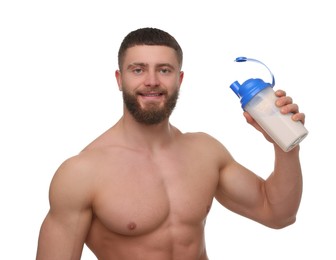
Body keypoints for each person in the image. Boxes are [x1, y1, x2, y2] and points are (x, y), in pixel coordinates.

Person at [36, 27, 305, 260]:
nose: (151, 81)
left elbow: (278, 214)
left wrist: (284, 144)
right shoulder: (81, 173)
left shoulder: (205, 152)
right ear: (120, 80)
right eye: (138, 69)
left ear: (179, 79)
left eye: (164, 70)